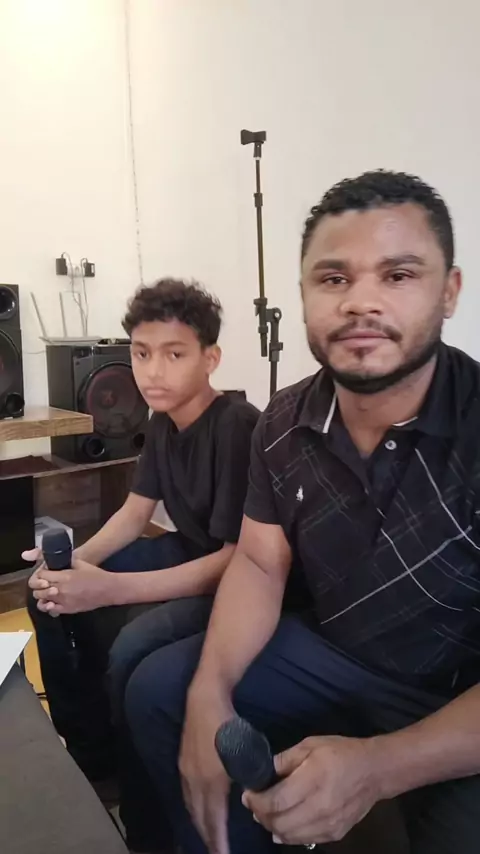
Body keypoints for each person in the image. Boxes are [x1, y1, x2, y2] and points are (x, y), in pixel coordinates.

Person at [125, 171, 480, 854]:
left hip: (455, 688)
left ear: (449, 291)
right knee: (161, 691)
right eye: (334, 278)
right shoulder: (284, 421)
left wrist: (379, 767)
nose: (361, 302)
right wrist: (210, 688)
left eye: (399, 275)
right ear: (304, 295)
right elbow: (260, 564)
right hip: (332, 653)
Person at [26, 278, 259, 854]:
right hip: (190, 552)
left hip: (233, 578)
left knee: (132, 646)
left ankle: (145, 818)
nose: (152, 371)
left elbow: (235, 559)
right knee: (44, 591)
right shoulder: (160, 422)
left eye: (174, 354)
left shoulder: (236, 425)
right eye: (141, 353)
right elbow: (134, 514)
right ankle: (91, 757)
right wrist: (73, 562)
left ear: (210, 359)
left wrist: (107, 589)